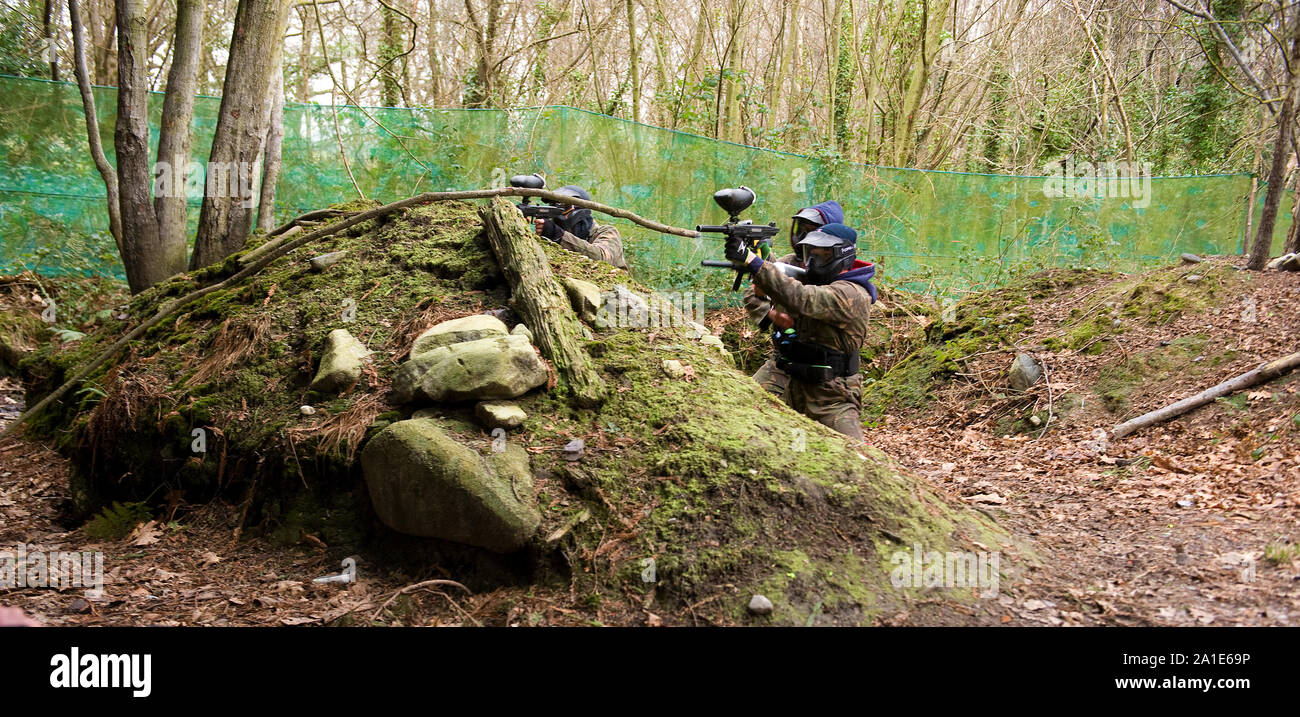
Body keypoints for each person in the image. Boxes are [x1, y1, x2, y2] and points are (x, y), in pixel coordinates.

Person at [727, 222, 876, 441]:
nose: (814, 261)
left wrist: (753, 262)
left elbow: (802, 298)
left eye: (823, 254)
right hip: (786, 375)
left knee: (856, 460)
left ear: (842, 255)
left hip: (830, 392)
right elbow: (775, 288)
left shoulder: (852, 293)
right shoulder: (810, 278)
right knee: (737, 421)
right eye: (810, 253)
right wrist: (753, 256)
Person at [532, 185, 628, 270]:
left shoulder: (606, 232)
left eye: (564, 205)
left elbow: (602, 259)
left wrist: (558, 235)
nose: (559, 210)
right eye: (554, 205)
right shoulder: (553, 234)